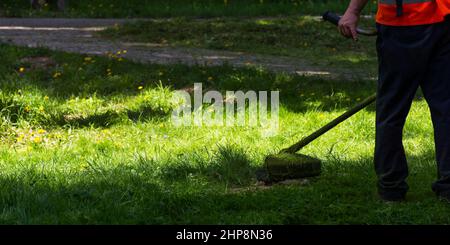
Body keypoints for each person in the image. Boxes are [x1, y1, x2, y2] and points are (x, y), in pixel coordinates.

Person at [338, 0, 450, 202]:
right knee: (446, 109)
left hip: (404, 25)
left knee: (391, 111)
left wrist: (352, 11)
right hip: (438, 20)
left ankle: (391, 187)